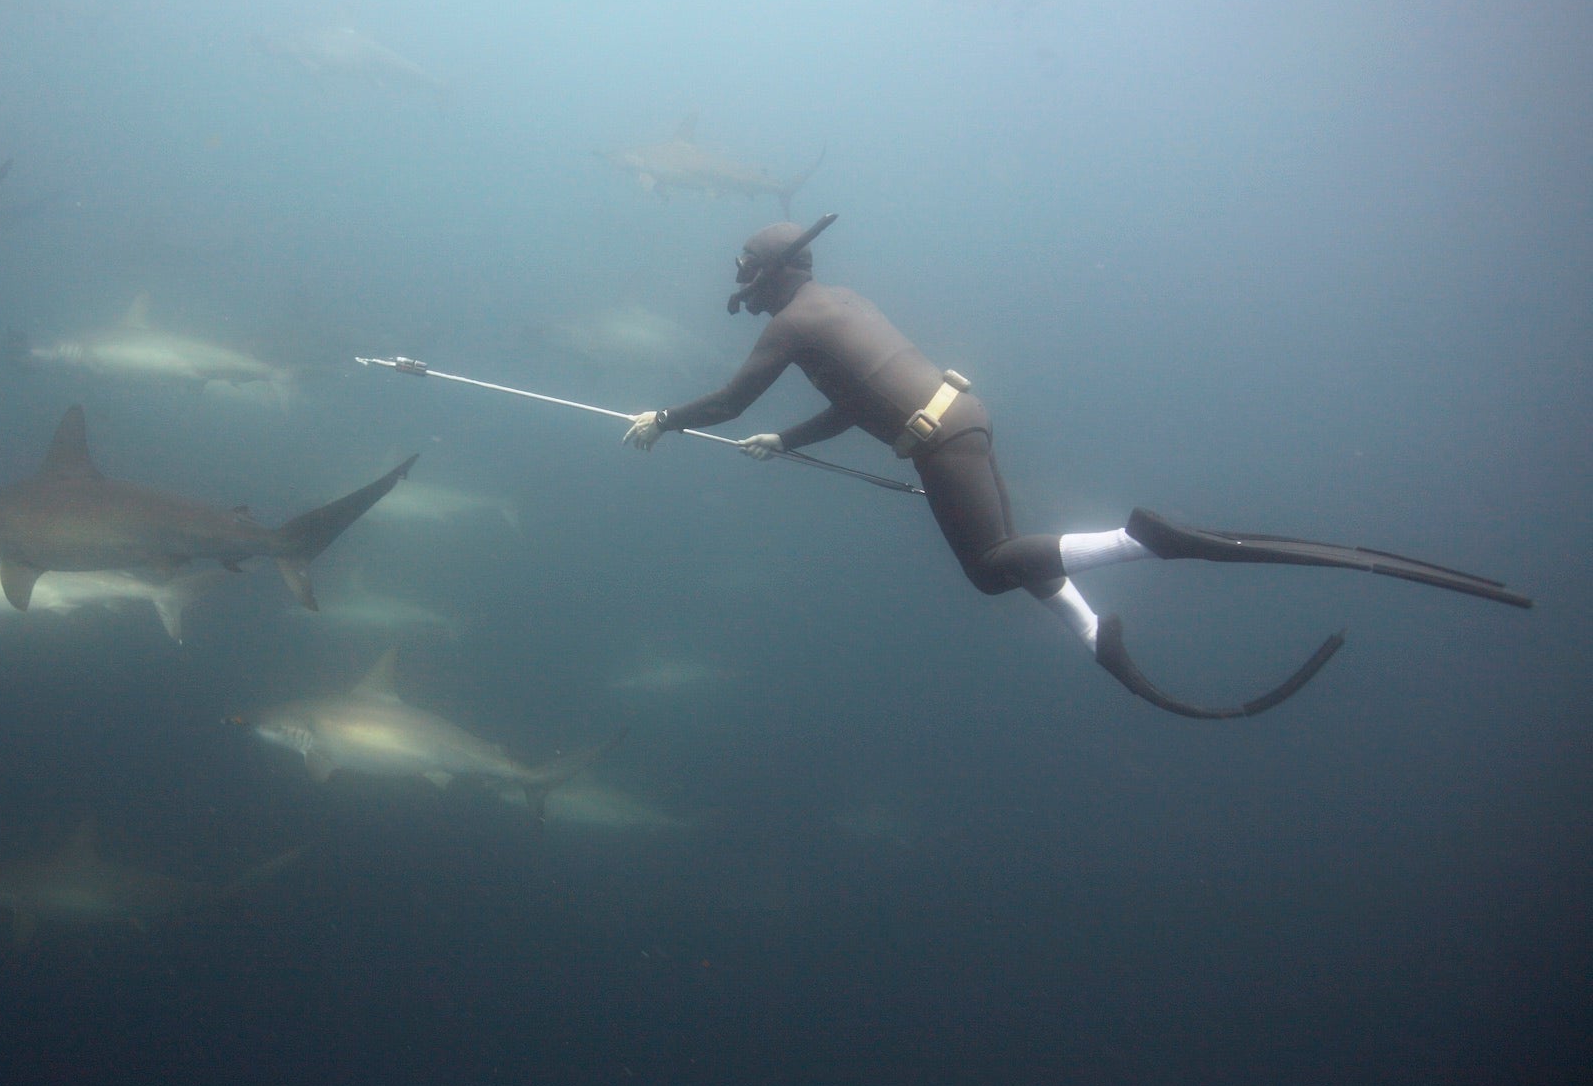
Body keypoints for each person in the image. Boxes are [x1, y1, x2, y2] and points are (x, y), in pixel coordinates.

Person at [622, 220, 1531, 718]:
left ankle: (1146, 542)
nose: (752, 298)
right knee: (1019, 558)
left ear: (768, 280)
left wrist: (662, 419)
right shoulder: (838, 302)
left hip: (938, 440)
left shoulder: (792, 325)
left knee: (988, 573)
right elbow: (860, 398)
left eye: (751, 283)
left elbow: (732, 401)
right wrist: (790, 443)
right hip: (956, 417)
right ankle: (1100, 642)